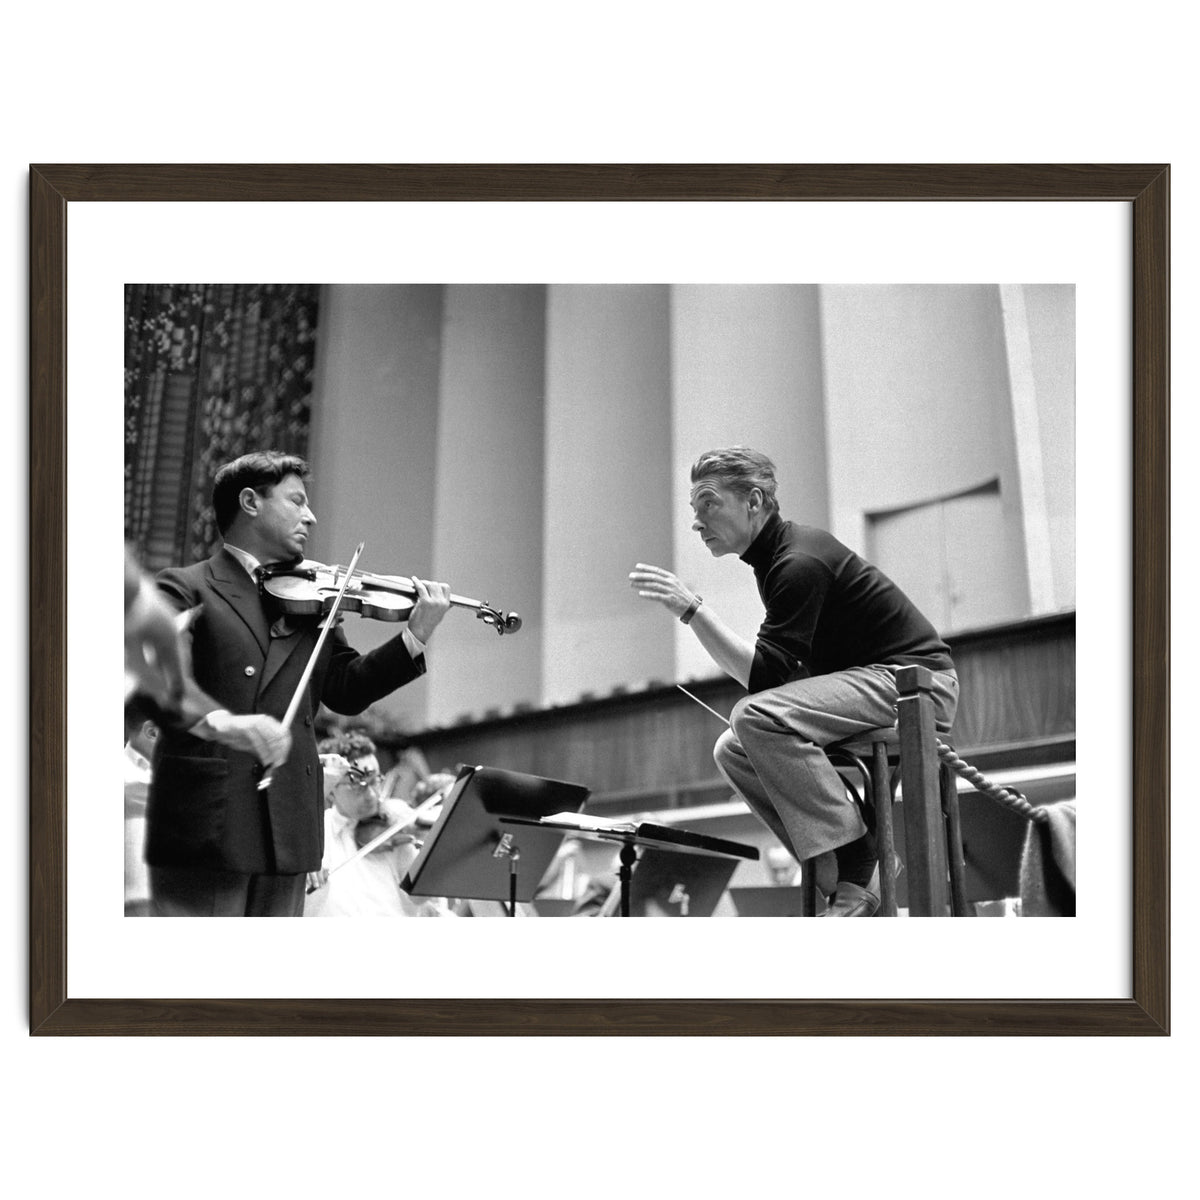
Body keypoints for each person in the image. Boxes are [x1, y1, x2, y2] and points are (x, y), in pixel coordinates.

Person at [630, 447, 958, 917]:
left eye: (708, 504)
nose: (697, 522)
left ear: (754, 500)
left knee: (752, 716)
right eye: (694, 510)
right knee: (732, 748)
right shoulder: (775, 563)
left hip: (916, 685)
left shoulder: (798, 562)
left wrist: (693, 611)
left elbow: (763, 682)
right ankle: (843, 882)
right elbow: (774, 676)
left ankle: (860, 865)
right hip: (872, 684)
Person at [144, 450, 452, 917]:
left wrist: (415, 635)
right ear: (250, 502)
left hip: (287, 826)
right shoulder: (188, 587)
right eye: (296, 501)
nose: (310, 516)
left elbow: (346, 689)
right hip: (209, 822)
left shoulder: (313, 600)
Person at [304, 732, 454, 918]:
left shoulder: (394, 831)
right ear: (332, 790)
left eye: (375, 780)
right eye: (358, 784)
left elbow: (420, 896)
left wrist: (439, 844)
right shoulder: (315, 834)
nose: (373, 795)